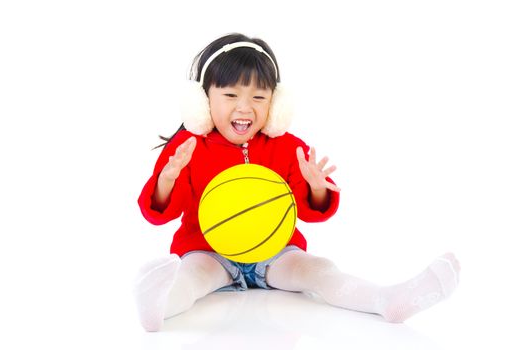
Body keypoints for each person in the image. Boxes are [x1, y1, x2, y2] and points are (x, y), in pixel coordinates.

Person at [134, 33, 460, 332]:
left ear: (275, 104)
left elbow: (310, 211)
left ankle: (387, 301)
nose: (244, 107)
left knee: (318, 270)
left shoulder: (289, 146)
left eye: (259, 97)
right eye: (230, 94)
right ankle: (156, 306)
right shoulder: (187, 148)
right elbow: (159, 213)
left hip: (277, 252)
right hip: (207, 251)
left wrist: (317, 187)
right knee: (190, 279)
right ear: (204, 101)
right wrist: (166, 179)